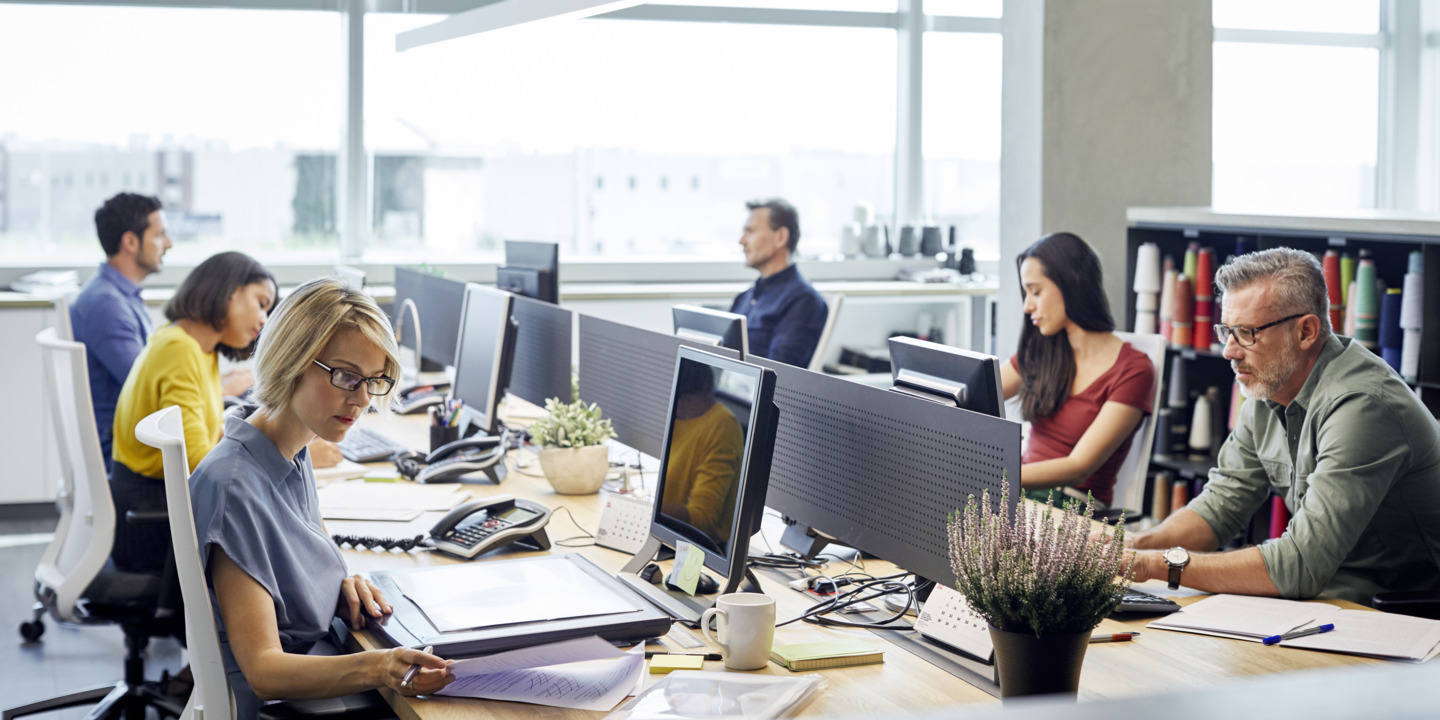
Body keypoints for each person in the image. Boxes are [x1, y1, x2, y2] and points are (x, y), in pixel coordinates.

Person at [190, 277, 454, 717]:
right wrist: (381, 666)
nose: (362, 399)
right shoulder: (234, 486)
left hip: (314, 666)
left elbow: (298, 556)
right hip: (279, 702)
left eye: (374, 380)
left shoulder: (291, 445)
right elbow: (264, 670)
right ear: (290, 360)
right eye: (346, 376)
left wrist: (338, 580)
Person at [1121, 248, 1440, 604]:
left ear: (1306, 331)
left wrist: (1155, 565)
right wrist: (1133, 546)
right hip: (1326, 597)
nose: (1229, 350)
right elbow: (1221, 504)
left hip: (1397, 614)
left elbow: (1300, 565)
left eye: (1246, 333)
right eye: (1226, 330)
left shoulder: (1363, 406)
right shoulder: (1267, 390)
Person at [109, 251, 277, 573]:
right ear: (229, 290)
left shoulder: (199, 349)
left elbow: (210, 439)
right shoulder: (179, 349)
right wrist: (274, 459)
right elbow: (199, 462)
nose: (264, 319)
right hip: (151, 524)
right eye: (260, 302)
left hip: (164, 509)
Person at [71, 192, 254, 467]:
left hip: (129, 441)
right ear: (130, 242)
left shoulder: (121, 296)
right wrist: (219, 388)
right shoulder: (107, 306)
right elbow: (146, 388)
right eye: (160, 235)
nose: (168, 244)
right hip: (124, 452)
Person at [999, 232, 1156, 508]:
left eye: (1036, 291)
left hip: (1075, 509)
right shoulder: (1041, 352)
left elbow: (1079, 466)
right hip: (1020, 496)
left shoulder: (1134, 370)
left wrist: (997, 477)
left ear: (1072, 282)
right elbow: (977, 393)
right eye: (1026, 293)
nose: (1027, 306)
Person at [729, 199, 828, 367]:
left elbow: (777, 374)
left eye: (750, 231)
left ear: (780, 237)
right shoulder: (744, 297)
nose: (742, 241)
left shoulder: (803, 301)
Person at [659, 360, 744, 544]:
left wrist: (647, 508)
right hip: (659, 532)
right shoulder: (676, 416)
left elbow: (702, 519)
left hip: (690, 545)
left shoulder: (722, 425)